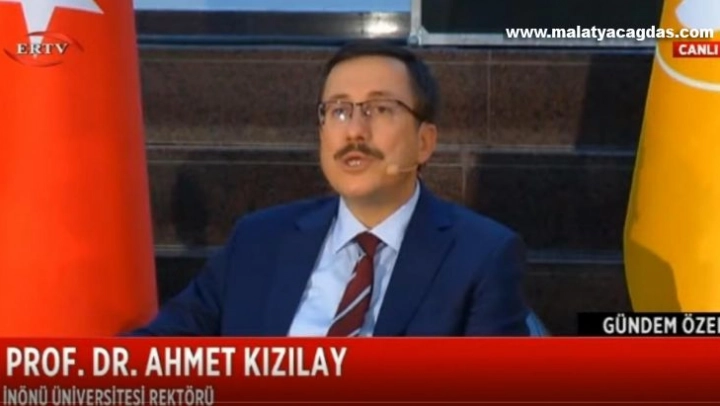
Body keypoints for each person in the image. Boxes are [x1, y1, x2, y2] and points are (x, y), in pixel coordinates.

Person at [128, 40, 531, 336]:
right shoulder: (258, 241)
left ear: (424, 142)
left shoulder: (481, 256)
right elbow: (153, 356)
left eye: (379, 109)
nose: (354, 130)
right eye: (338, 110)